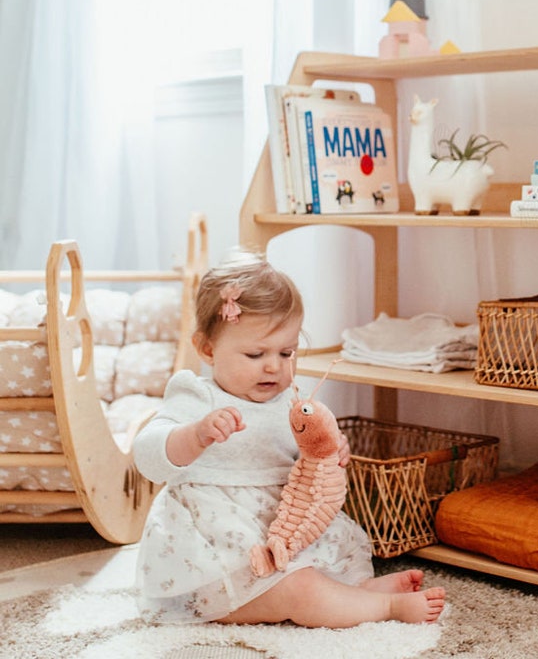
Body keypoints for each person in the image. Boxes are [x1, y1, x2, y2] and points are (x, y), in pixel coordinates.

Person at [133, 250, 446, 627]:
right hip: (219, 548)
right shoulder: (197, 397)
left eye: (287, 352)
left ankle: (356, 590)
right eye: (255, 354)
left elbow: (308, 457)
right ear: (207, 349)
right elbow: (147, 456)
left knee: (311, 573)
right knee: (298, 589)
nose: (273, 366)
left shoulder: (291, 402)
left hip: (283, 528)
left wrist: (331, 452)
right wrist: (194, 435)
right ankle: (386, 608)